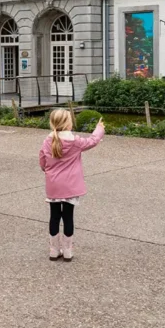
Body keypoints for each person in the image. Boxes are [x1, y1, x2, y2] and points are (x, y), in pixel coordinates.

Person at [39, 109, 104, 262]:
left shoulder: (47, 141)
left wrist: (49, 170)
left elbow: (42, 161)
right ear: (68, 123)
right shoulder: (74, 141)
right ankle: (67, 251)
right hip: (71, 186)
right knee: (68, 217)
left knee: (54, 217)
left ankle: (54, 250)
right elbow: (92, 141)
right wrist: (99, 128)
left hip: (54, 185)